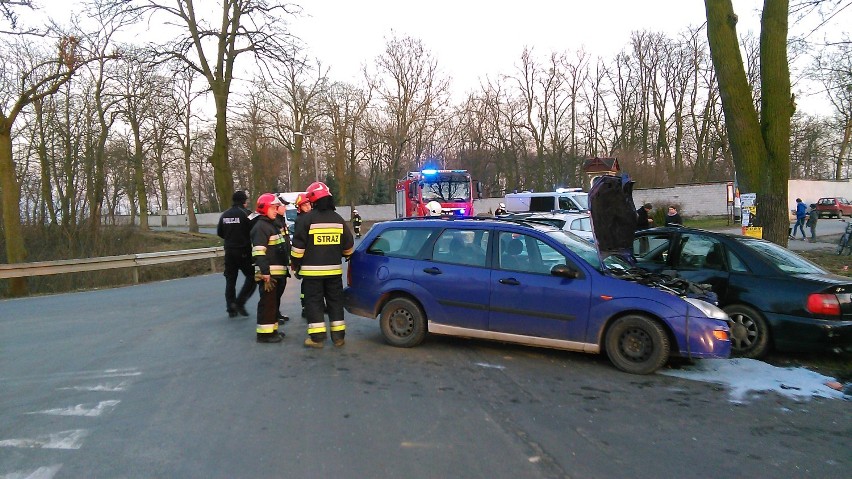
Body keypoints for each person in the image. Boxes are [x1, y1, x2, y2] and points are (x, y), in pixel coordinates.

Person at [291, 181, 355, 349]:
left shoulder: (307, 219)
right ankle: (339, 337)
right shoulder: (338, 219)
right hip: (334, 273)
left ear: (313, 200)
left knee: (314, 303)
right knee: (335, 302)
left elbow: (298, 249)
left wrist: (295, 265)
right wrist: (344, 255)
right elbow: (349, 246)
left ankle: (317, 338)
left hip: (312, 274)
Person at [250, 193, 289, 343]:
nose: (276, 210)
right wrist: (265, 272)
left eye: (277, 207)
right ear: (264, 208)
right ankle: (264, 335)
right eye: (273, 208)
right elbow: (259, 252)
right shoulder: (261, 227)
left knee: (273, 303)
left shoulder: (270, 225)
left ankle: (272, 330)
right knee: (267, 303)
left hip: (275, 273)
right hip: (269, 274)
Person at [217, 190, 257, 318]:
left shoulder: (224, 215)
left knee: (230, 280)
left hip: (229, 251)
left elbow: (220, 232)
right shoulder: (247, 214)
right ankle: (240, 302)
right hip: (244, 251)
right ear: (244, 201)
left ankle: (231, 308)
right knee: (252, 277)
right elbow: (256, 230)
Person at [273, 194, 293, 324]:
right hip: (275, 262)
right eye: (283, 205)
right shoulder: (274, 222)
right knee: (274, 292)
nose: (285, 207)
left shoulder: (281, 220)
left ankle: (276, 313)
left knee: (280, 288)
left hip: (282, 260)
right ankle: (273, 315)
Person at [293, 193, 313, 318]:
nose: (308, 207)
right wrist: (297, 263)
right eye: (305, 205)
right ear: (299, 208)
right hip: (305, 258)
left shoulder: (311, 218)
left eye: (309, 204)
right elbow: (299, 242)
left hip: (311, 257)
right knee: (306, 284)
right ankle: (305, 307)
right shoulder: (301, 220)